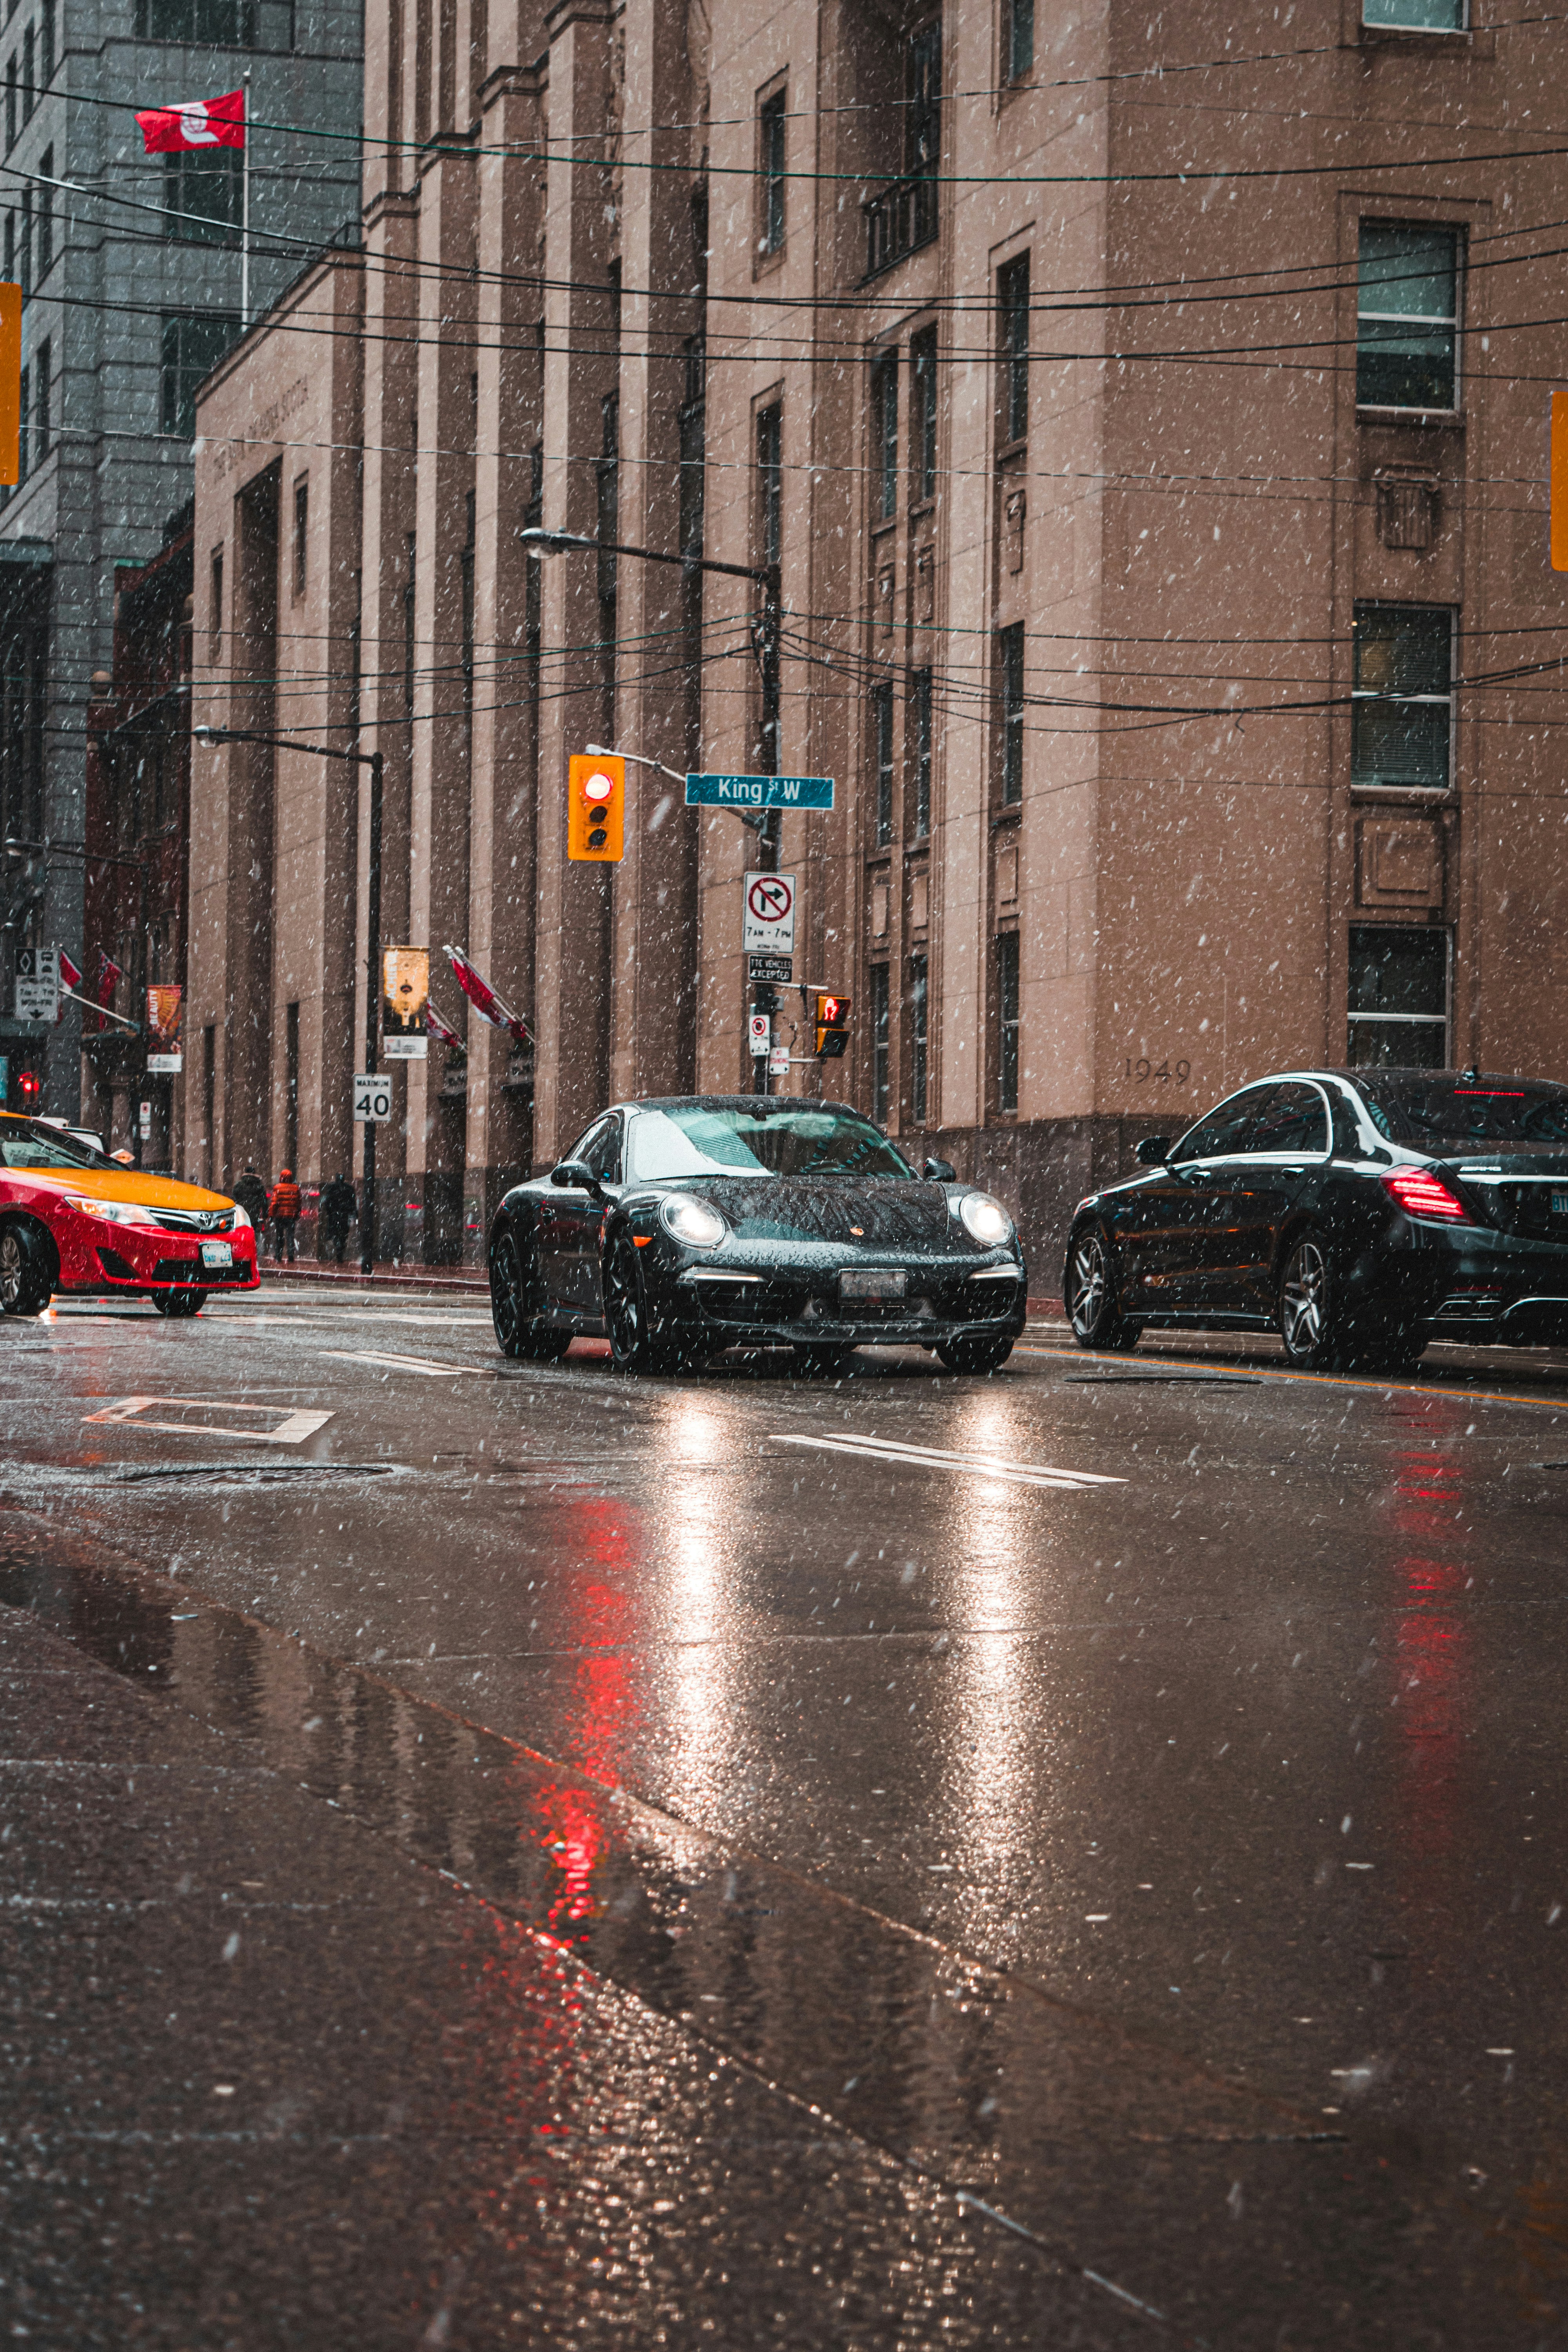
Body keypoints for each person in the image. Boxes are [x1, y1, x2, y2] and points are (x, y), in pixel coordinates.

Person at [318, 1172, 357, 1264]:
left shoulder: (332, 1188)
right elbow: (353, 1203)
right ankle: (340, 1249)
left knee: (336, 1233)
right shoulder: (349, 1188)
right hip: (344, 1215)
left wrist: (330, 1211)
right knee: (343, 1234)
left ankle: (339, 1247)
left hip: (335, 1215)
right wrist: (353, 1213)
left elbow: (328, 1202)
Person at [269, 1165, 302, 1264]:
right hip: (291, 1217)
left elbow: (274, 1203)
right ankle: (291, 1256)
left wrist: (272, 1215)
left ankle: (279, 1256)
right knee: (290, 1236)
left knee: (279, 1236)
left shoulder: (277, 1188)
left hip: (280, 1216)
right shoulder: (295, 1188)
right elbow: (298, 1203)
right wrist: (297, 1213)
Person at [232, 1163, 270, 1247]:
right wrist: (265, 1215)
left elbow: (234, 1201)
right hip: (254, 1214)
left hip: (242, 1214)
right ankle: (252, 1248)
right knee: (253, 1232)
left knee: (241, 1231)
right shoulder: (259, 1186)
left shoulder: (238, 1186)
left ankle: (242, 1248)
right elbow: (264, 1202)